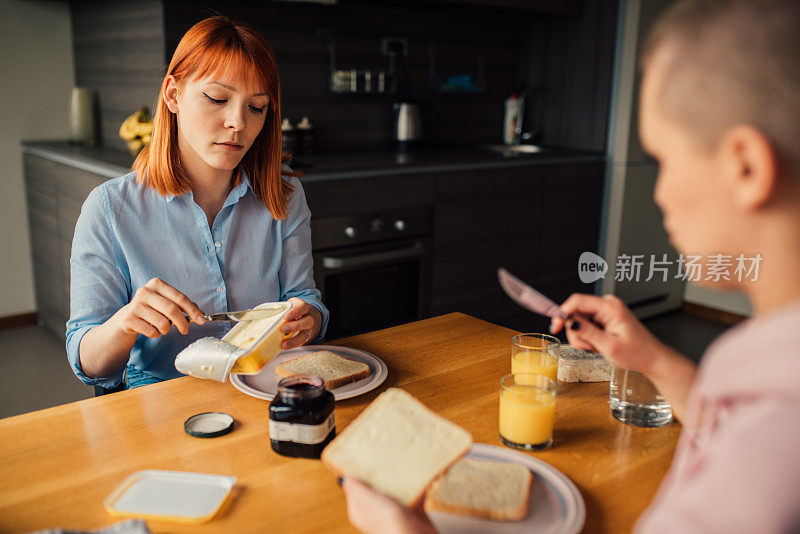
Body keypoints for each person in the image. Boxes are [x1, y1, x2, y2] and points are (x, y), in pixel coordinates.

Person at [340, 0, 800, 532]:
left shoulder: (774, 439)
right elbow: (729, 428)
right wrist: (650, 358)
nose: (659, 192)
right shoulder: (764, 377)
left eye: (664, 159)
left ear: (746, 166)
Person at [66, 16, 328, 390]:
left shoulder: (284, 193)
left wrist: (309, 321)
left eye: (256, 107)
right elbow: (89, 363)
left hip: (262, 385)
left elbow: (304, 299)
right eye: (217, 99)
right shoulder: (108, 209)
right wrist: (125, 322)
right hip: (160, 396)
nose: (238, 122)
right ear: (173, 95)